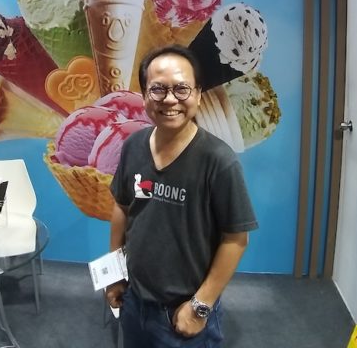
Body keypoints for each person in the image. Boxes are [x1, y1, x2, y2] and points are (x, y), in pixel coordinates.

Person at [107, 45, 258, 347]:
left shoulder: (218, 160)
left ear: (198, 94)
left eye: (181, 88)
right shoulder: (133, 146)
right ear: (145, 96)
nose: (170, 99)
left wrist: (200, 306)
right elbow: (122, 208)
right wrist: (114, 274)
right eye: (158, 89)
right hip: (135, 302)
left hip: (183, 310)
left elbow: (236, 239)